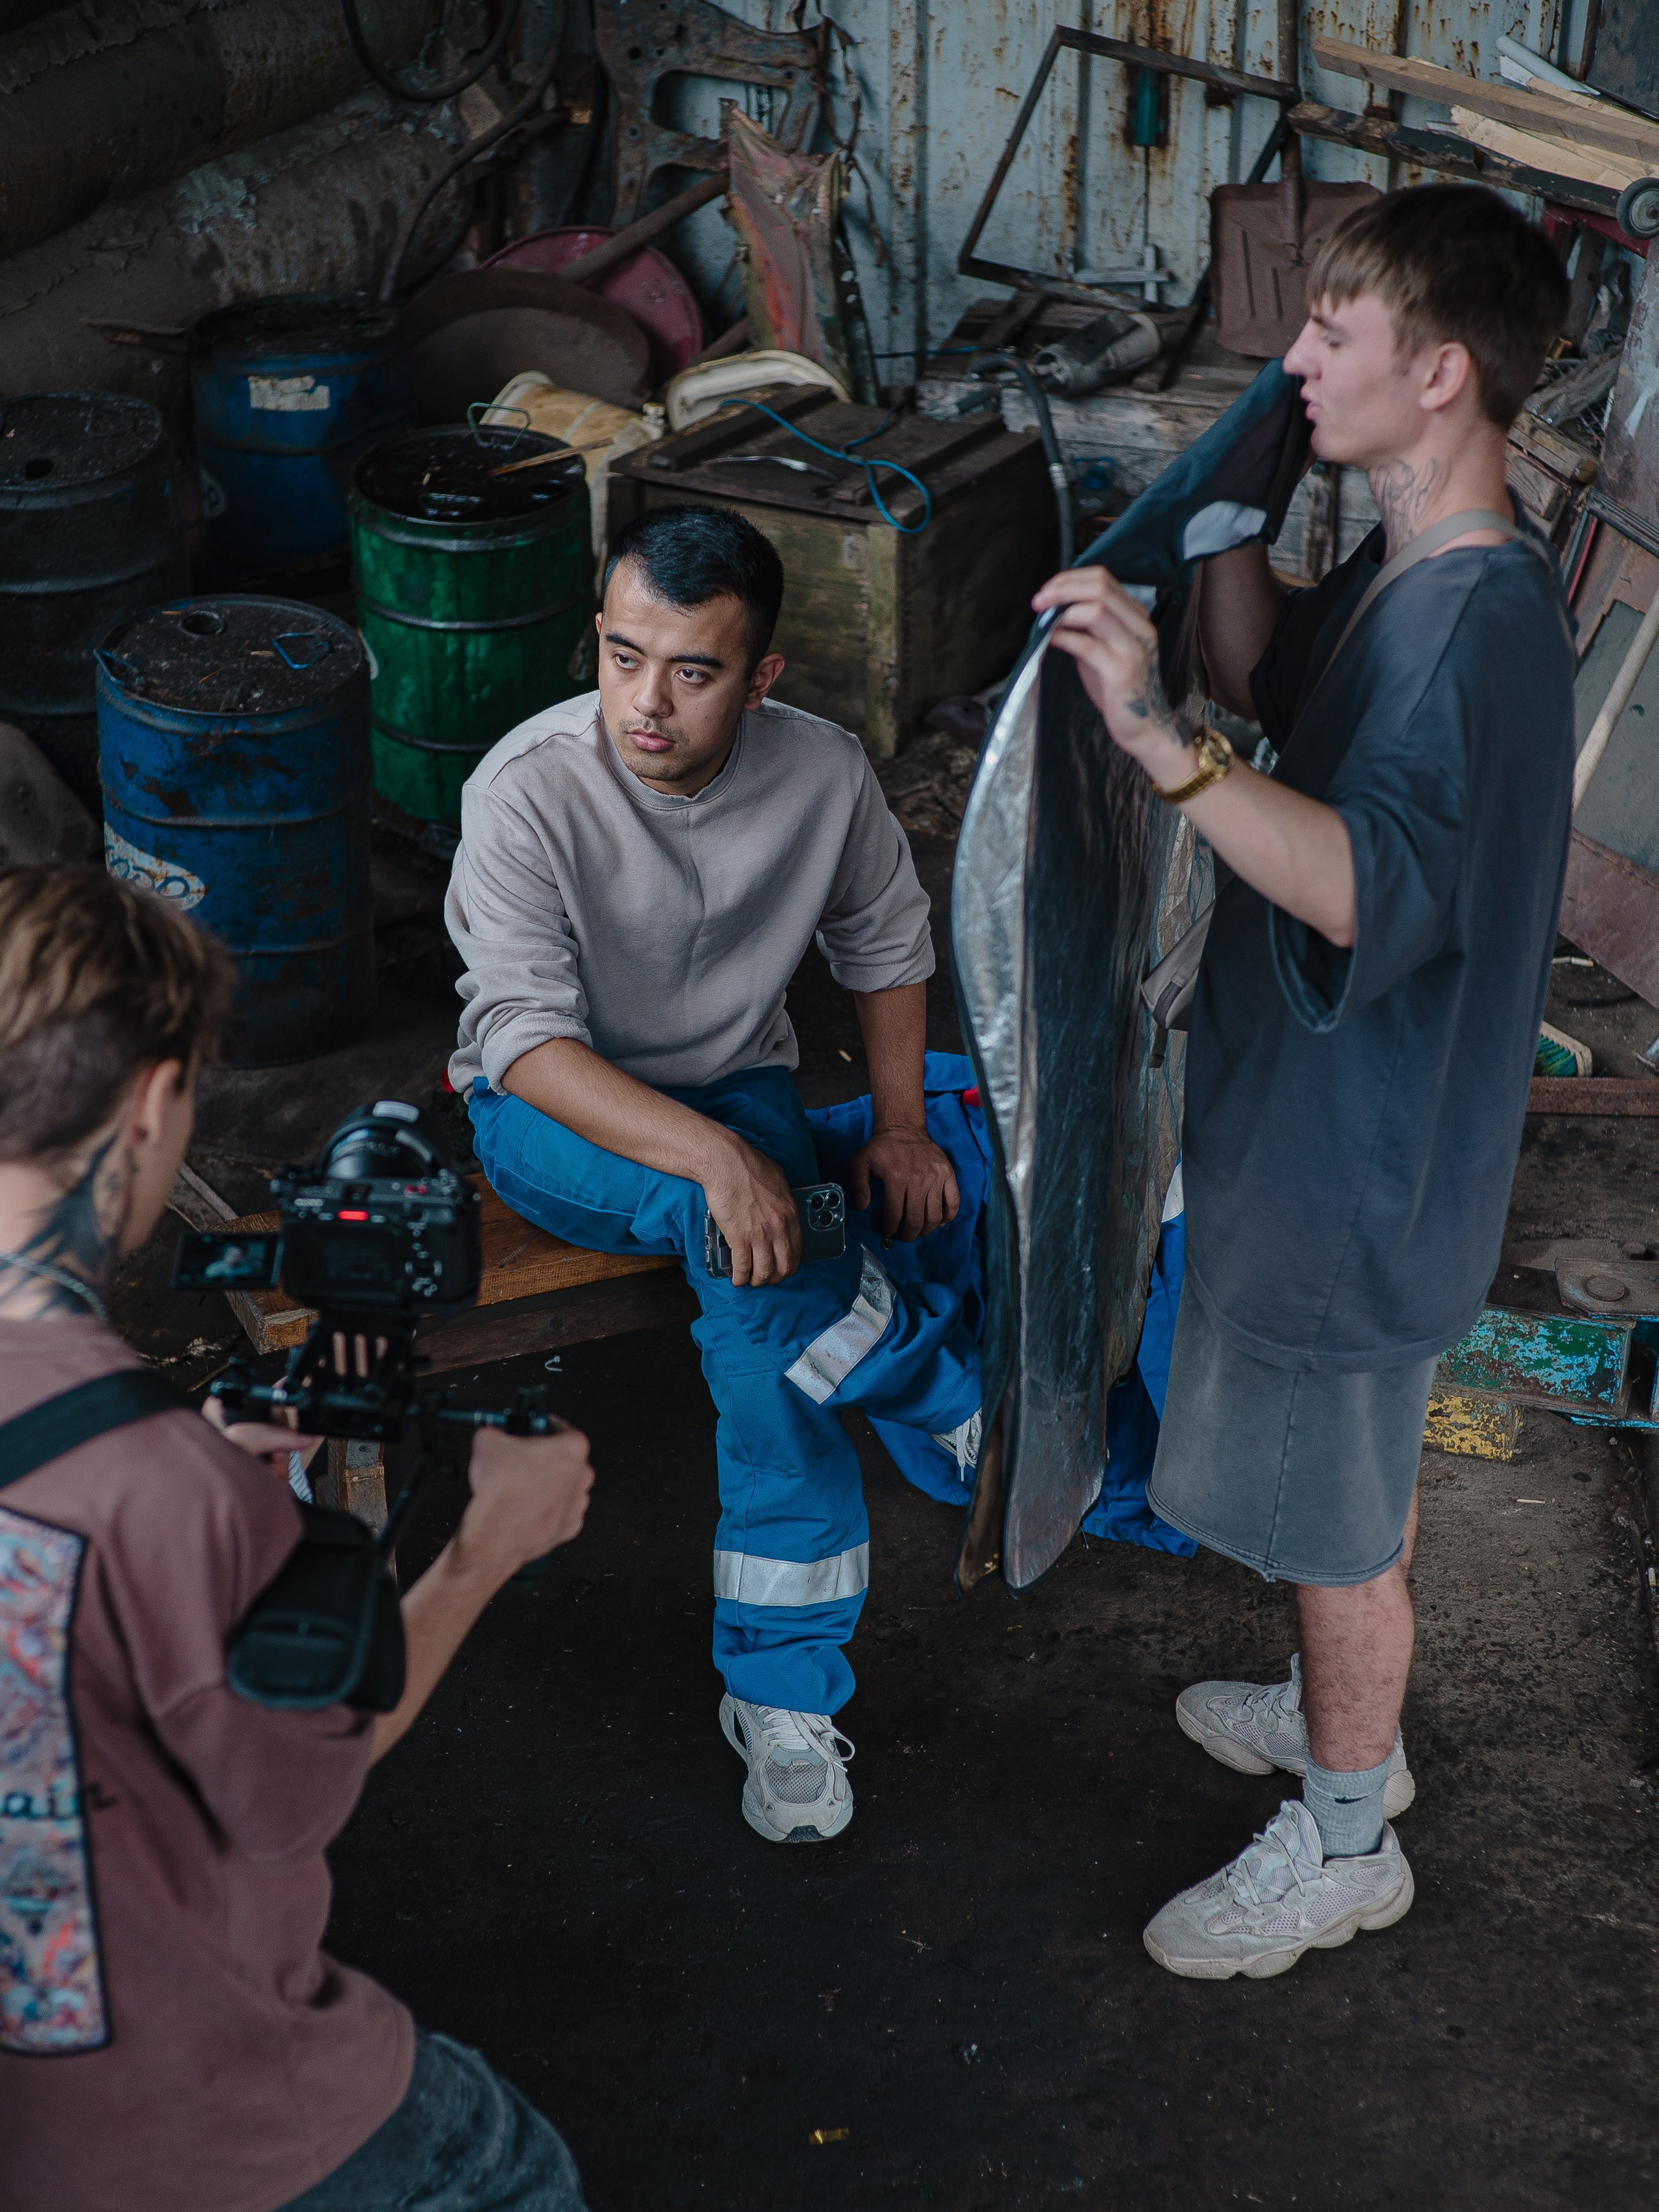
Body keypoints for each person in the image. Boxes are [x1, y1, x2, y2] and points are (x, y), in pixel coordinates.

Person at [1034, 183, 1573, 1978]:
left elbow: (1358, 882)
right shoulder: (1413, 563)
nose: (1298, 360)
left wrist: (1151, 738)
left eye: (1332, 336)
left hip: (1365, 1162)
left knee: (1339, 1530)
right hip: (1331, 1136)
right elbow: (1276, 674)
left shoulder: (1475, 624)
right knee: (1350, 1486)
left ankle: (1348, 1834)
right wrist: (1227, 516)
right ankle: (1347, 1711)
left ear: (1440, 372)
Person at [0, 867, 597, 2212]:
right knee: (509, 2174)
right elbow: (297, 1798)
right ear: (152, 1103)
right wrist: (488, 1545)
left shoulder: (161, 1481)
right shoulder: (165, 1493)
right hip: (174, 2120)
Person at [445, 503, 982, 1845]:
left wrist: (901, 1127)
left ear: (761, 676)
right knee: (731, 1214)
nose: (646, 701)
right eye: (623, 656)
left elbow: (887, 940)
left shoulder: (821, 771)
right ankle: (945, 1391)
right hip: (549, 1110)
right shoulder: (524, 789)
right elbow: (521, 1039)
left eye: (692, 671)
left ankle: (780, 1689)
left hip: (736, 1087)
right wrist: (717, 1160)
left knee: (758, 1308)